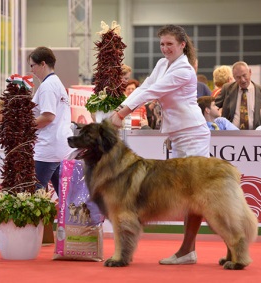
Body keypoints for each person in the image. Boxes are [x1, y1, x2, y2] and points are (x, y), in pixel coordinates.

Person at [110, 24, 210, 265]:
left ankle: (188, 250)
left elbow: (153, 91)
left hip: (193, 134)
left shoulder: (184, 70)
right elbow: (144, 87)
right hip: (177, 135)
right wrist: (119, 109)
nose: (165, 49)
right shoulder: (162, 64)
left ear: (182, 45)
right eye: (162, 44)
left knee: (196, 195)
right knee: (186, 194)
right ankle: (189, 250)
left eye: (170, 44)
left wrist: (121, 114)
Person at [29, 46, 73, 196]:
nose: (31, 71)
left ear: (42, 64)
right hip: (59, 147)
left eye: (32, 66)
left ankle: (34, 221)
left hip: (47, 147)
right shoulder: (56, 83)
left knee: (34, 195)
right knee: (66, 197)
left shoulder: (47, 86)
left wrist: (25, 126)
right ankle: (74, 220)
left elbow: (48, 116)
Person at [215, 61, 261, 130]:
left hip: (255, 135)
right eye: (238, 77)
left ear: (250, 72)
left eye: (244, 75)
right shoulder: (227, 89)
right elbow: (213, 106)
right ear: (233, 77)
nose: (242, 80)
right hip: (230, 134)